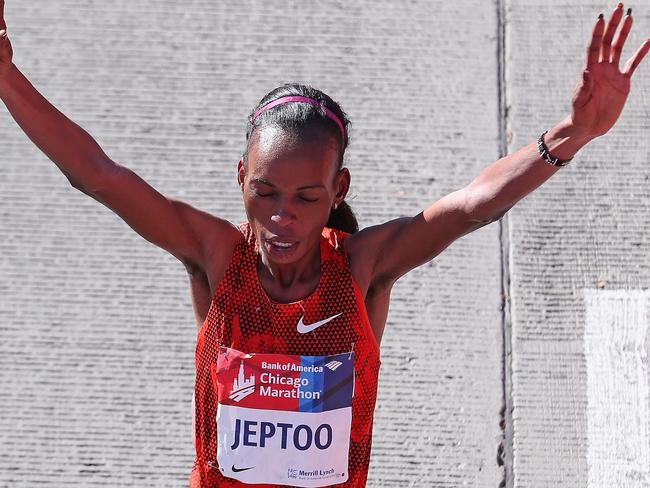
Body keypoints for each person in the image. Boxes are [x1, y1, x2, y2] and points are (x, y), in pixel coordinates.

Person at [1, 1, 648, 487]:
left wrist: (571, 134)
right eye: (265, 193)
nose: (282, 217)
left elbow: (470, 208)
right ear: (241, 180)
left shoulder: (362, 268)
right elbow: (99, 176)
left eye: (307, 198)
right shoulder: (217, 256)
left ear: (338, 189)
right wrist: (6, 78)